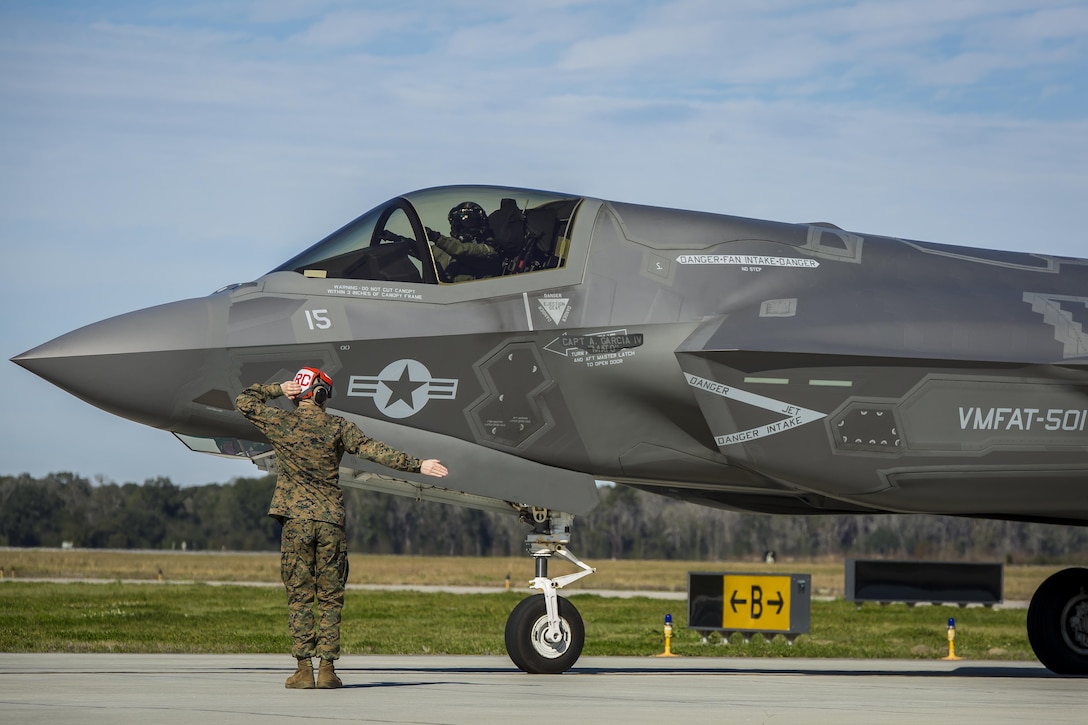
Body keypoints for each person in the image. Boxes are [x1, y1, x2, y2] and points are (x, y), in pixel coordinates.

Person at [235, 367, 448, 690]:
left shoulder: (282, 422)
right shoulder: (338, 427)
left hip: (296, 521)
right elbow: (376, 451)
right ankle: (327, 670)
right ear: (322, 395)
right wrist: (419, 465)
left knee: (300, 596)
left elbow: (244, 401)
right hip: (331, 521)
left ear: (301, 392)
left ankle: (303, 669)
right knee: (331, 598)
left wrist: (278, 389)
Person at [426, 201, 504, 282]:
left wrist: (435, 237)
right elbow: (425, 251)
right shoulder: (446, 250)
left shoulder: (488, 252)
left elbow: (462, 250)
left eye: (470, 223)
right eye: (460, 225)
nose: (463, 229)